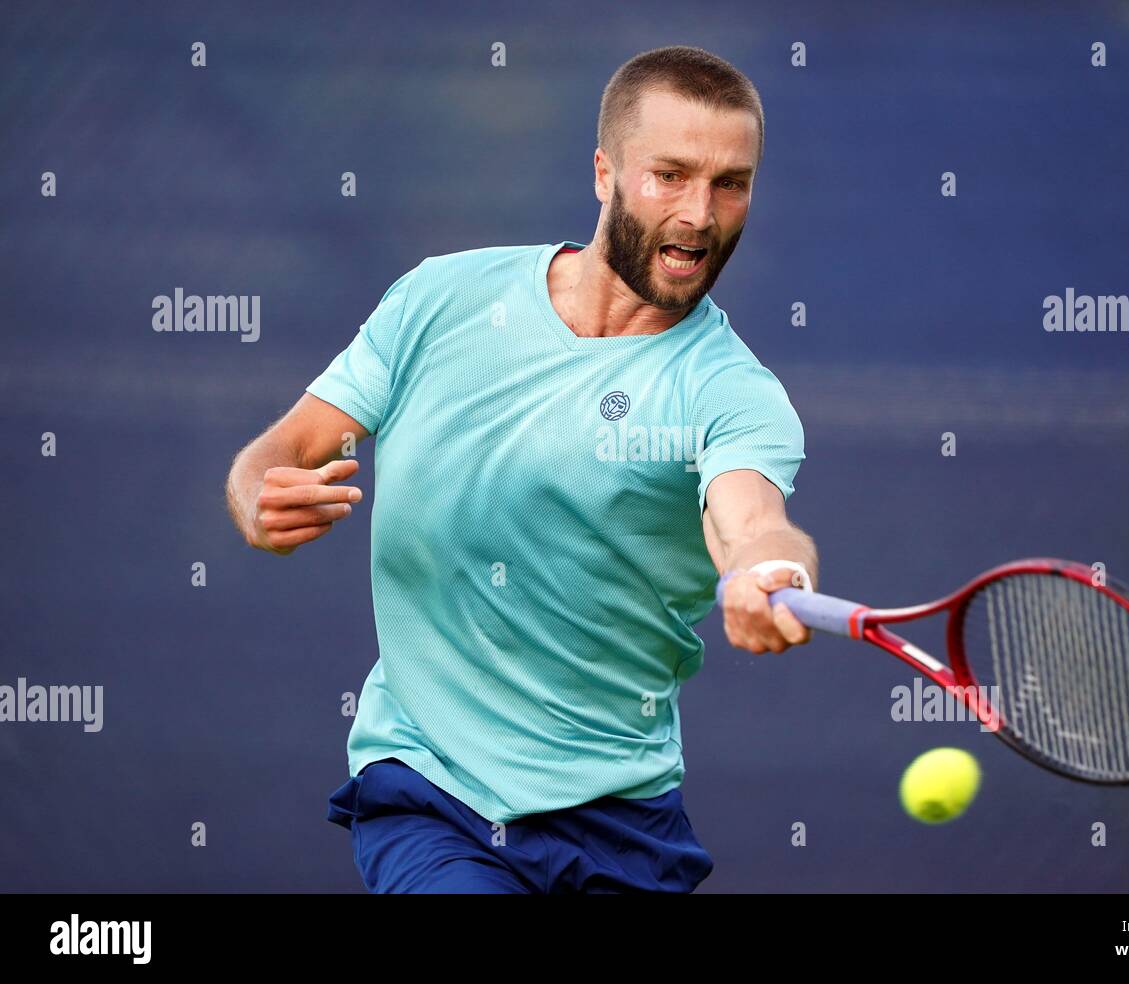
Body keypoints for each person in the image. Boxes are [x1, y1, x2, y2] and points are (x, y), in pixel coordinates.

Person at [224, 45, 818, 893]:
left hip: (622, 820)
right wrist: (256, 497)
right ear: (605, 174)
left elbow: (750, 519)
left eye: (731, 183)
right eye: (671, 175)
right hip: (433, 793)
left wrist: (770, 568)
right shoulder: (440, 300)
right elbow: (281, 451)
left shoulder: (734, 393)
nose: (701, 212)